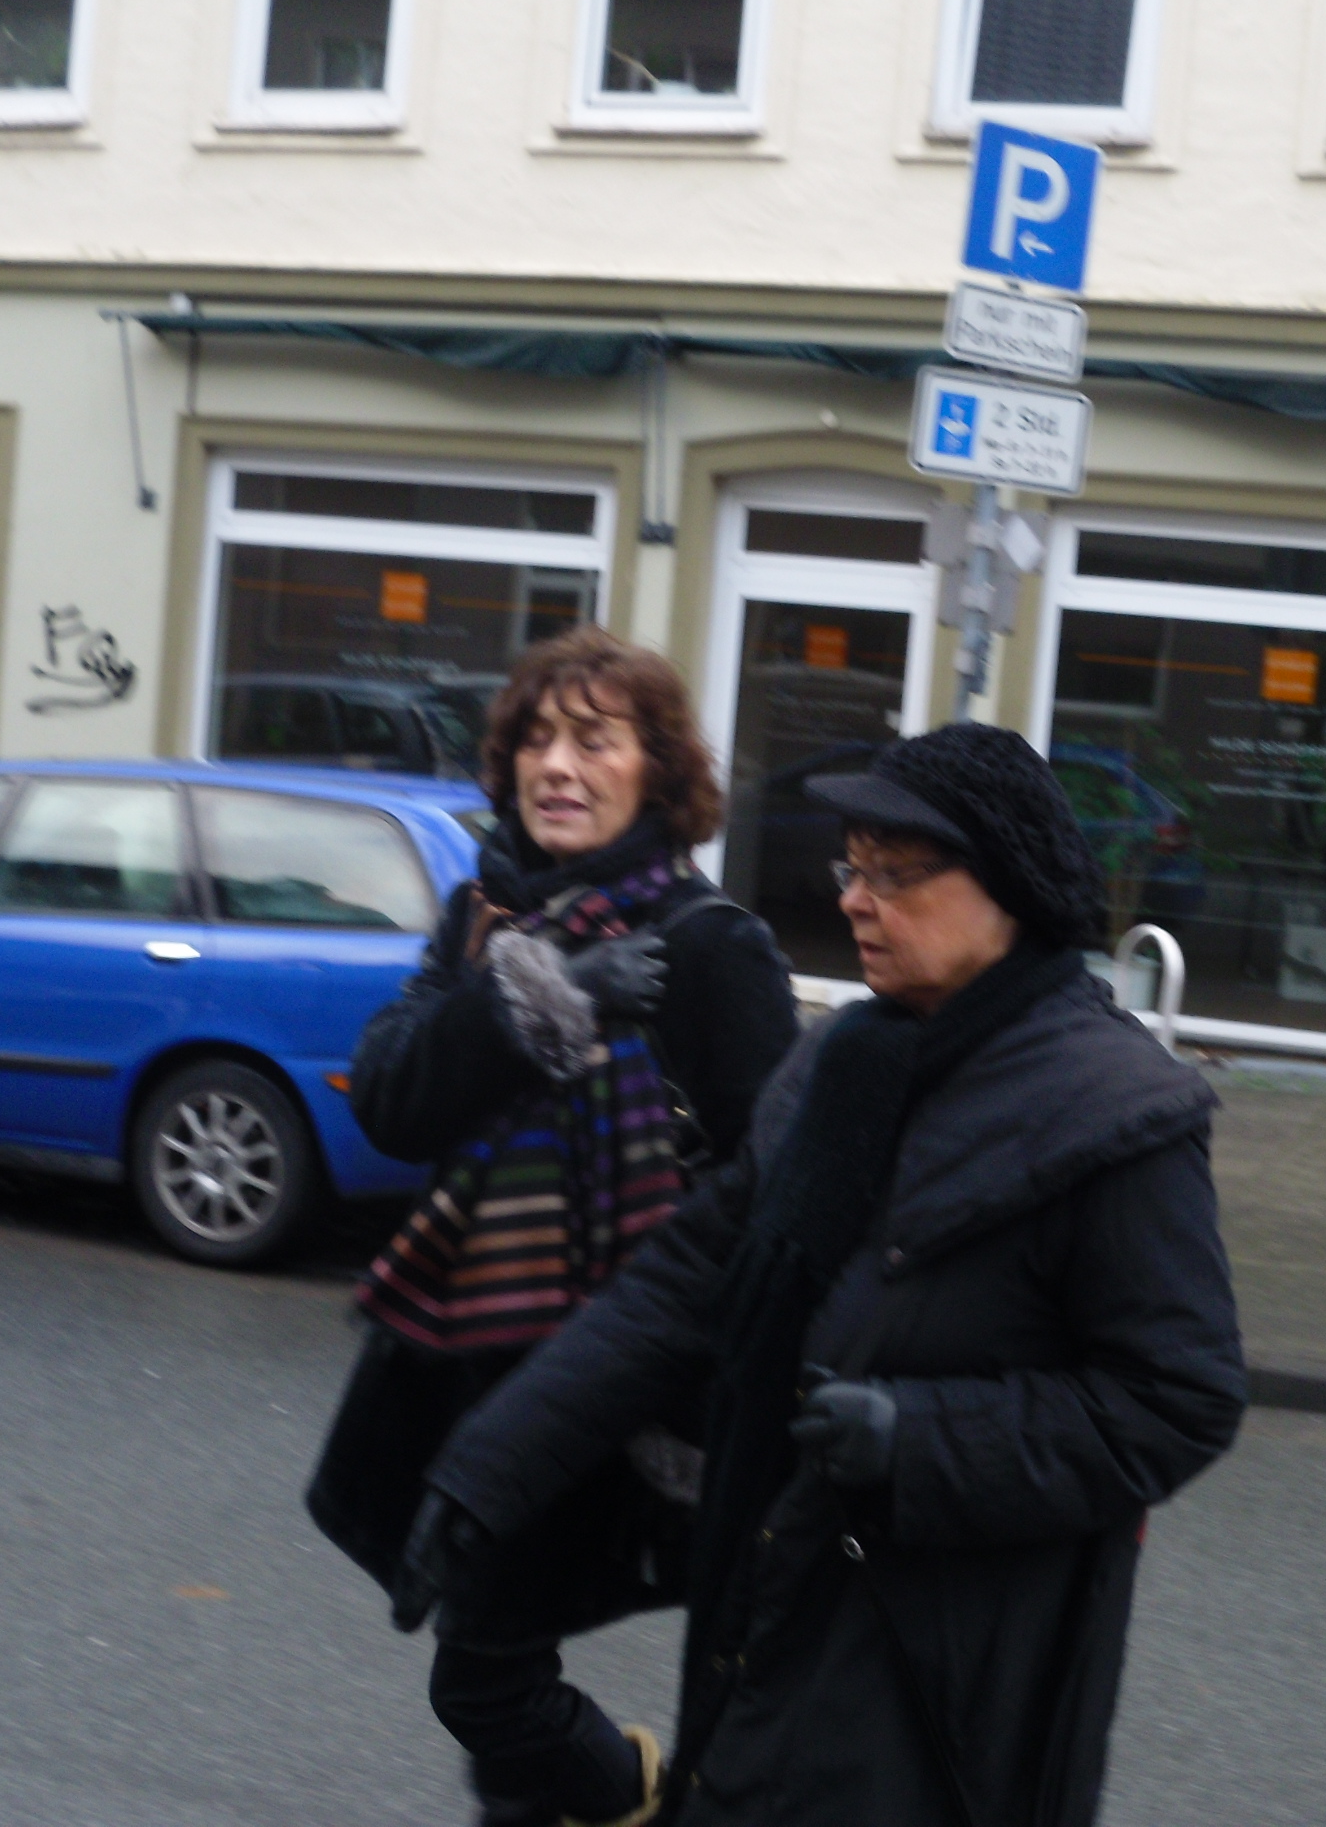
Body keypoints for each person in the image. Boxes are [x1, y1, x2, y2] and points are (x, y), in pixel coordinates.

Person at [393, 723, 1247, 1827]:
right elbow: (687, 1277)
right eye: (854, 866)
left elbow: (1178, 1398)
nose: (853, 899)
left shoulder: (1117, 1115)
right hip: (776, 1584)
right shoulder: (842, 1061)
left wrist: (919, 1440)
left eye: (897, 874)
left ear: (1013, 891)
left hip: (940, 1668)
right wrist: (494, 1463)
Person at [309, 626, 800, 1827]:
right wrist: (547, 998)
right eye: (536, 739)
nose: (558, 766)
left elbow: (778, 1195)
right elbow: (391, 1100)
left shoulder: (711, 944)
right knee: (497, 1680)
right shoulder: (486, 920)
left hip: (620, 1385)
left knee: (487, 1682)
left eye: (595, 740)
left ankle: (638, 1793)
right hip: (479, 1364)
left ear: (657, 772)